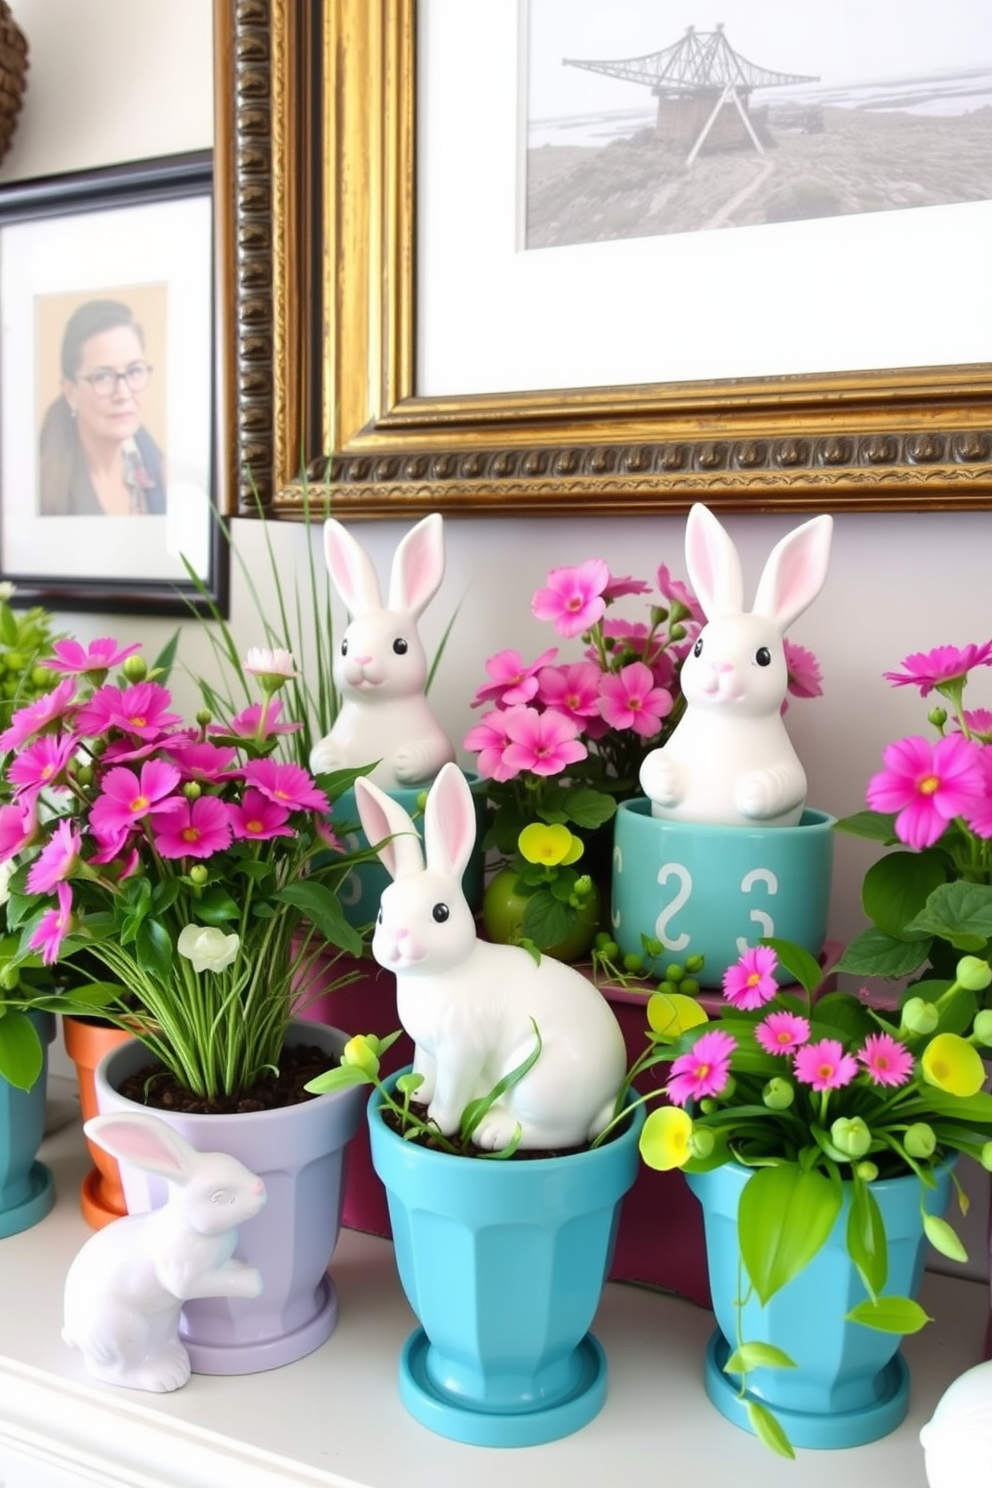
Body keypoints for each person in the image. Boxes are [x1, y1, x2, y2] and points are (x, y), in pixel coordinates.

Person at [38, 298, 166, 516]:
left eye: (134, 371)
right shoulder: (39, 489)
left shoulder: (164, 474)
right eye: (103, 377)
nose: (123, 394)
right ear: (70, 391)